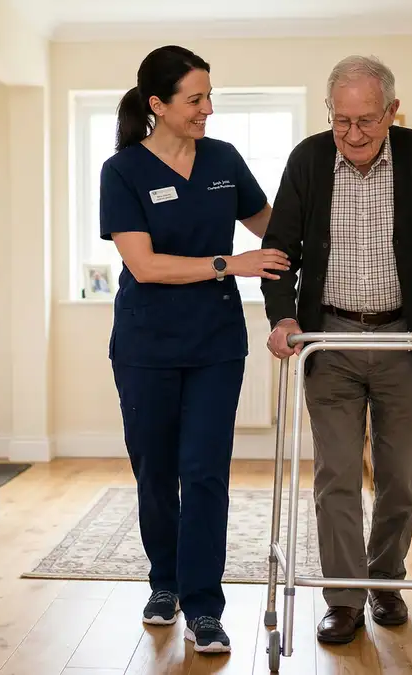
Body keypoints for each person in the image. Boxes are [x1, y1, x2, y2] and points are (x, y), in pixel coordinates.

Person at [261, 54, 412, 644]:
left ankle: (384, 581)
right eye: (341, 121)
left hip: (406, 340)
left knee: (401, 476)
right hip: (327, 341)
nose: (353, 134)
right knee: (335, 476)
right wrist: (283, 317)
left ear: (392, 112)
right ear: (329, 113)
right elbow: (279, 252)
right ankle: (344, 597)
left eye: (366, 121)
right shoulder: (308, 159)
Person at [99, 44, 290, 654]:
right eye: (195, 99)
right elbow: (145, 265)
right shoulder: (123, 170)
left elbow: (274, 228)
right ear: (157, 104)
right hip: (145, 345)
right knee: (155, 472)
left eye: (210, 96)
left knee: (205, 473)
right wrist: (229, 263)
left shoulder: (224, 160)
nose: (208, 108)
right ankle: (165, 582)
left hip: (215, 344)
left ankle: (205, 606)